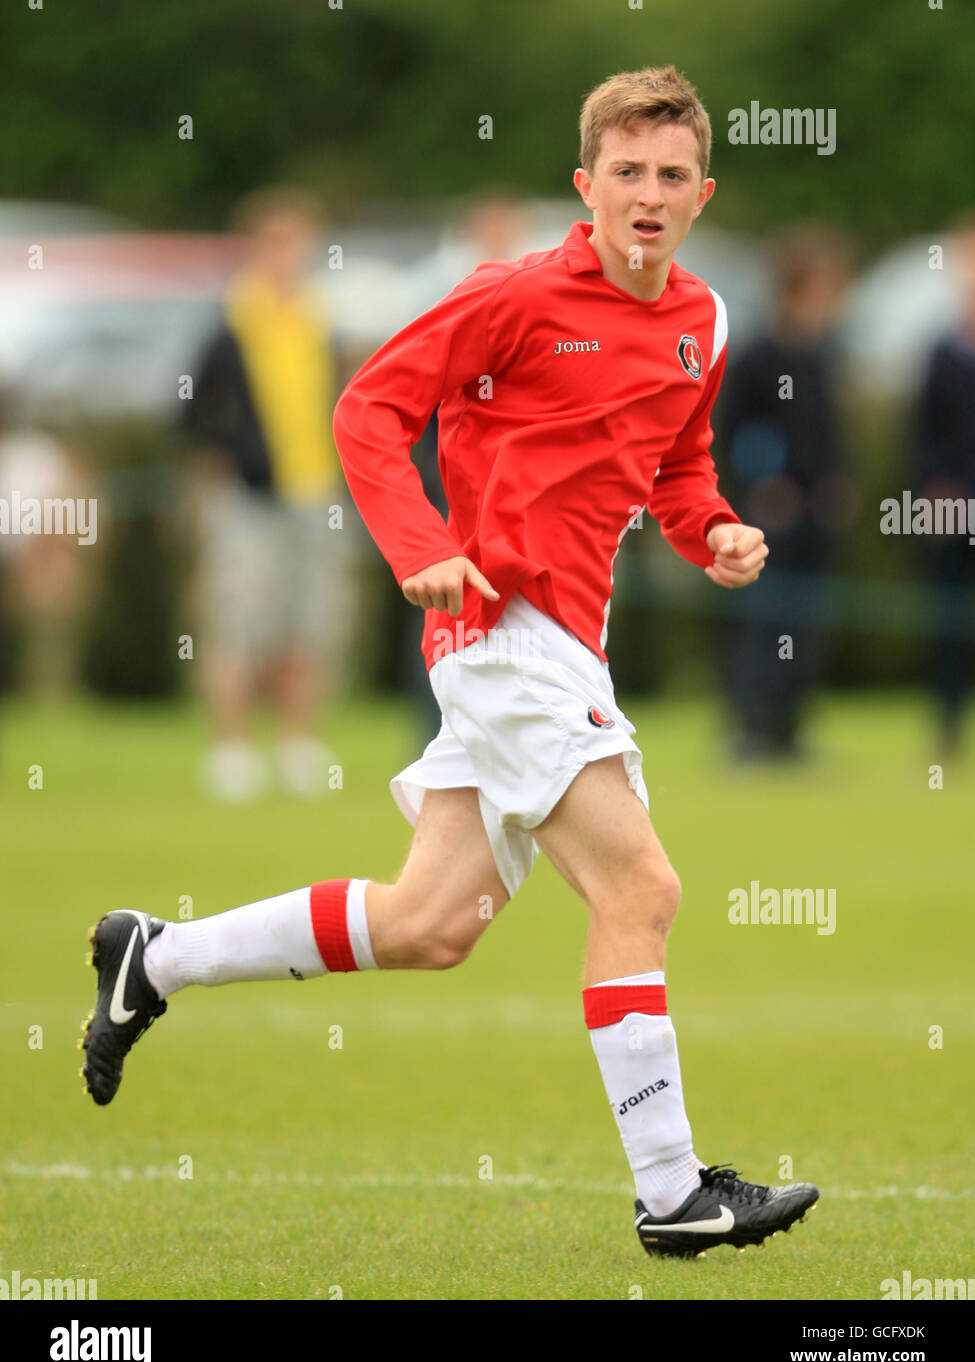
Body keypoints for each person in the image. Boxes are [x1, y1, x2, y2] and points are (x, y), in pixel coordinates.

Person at [80, 66, 818, 1260]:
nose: (647, 193)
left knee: (431, 921)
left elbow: (675, 467)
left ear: (701, 194)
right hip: (502, 632)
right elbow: (368, 411)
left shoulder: (706, 323)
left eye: (670, 176)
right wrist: (422, 547)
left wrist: (715, 529)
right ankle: (675, 1192)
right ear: (586, 186)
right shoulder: (513, 295)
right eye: (625, 172)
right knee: (644, 891)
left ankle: (152, 958)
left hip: (566, 641)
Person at [184, 186, 352, 800]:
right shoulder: (232, 323)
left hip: (315, 494)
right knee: (238, 620)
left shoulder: (319, 320)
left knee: (308, 621)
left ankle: (296, 741)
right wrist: (231, 462)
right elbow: (190, 413)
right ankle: (231, 747)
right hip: (250, 500)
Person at [716, 225, 852, 759]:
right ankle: (751, 729)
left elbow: (826, 434)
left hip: (816, 517)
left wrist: (835, 484)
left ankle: (791, 731)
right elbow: (736, 432)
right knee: (764, 623)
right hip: (769, 518)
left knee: (804, 625)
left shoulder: (821, 356)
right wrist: (765, 484)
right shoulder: (757, 356)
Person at [913, 214, 975, 757]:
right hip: (956, 513)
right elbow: (924, 435)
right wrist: (935, 491)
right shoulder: (941, 351)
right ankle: (948, 728)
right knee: (951, 625)